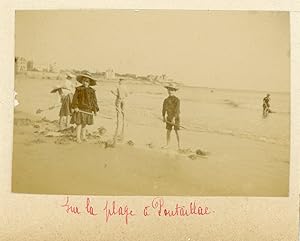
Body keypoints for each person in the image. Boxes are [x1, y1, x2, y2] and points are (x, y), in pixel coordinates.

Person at [70, 71, 99, 143]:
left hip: (88, 109)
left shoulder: (92, 91)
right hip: (80, 109)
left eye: (87, 81)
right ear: (82, 81)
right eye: (84, 81)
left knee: (84, 124)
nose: (85, 82)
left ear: (89, 82)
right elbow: (75, 98)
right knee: (79, 124)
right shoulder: (78, 89)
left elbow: (94, 101)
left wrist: (95, 110)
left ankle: (83, 136)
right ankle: (78, 138)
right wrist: (75, 106)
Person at [162, 83, 181, 150]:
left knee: (177, 131)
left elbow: (177, 110)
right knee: (168, 131)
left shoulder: (177, 100)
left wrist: (173, 118)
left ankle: (179, 146)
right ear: (167, 90)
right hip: (168, 118)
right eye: (169, 89)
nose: (170, 91)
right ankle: (167, 144)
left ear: (174, 91)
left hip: (176, 118)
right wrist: (163, 117)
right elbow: (164, 109)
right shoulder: (166, 100)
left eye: (172, 90)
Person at [111, 78, 128, 142]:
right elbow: (127, 94)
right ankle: (123, 120)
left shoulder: (118, 86)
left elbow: (112, 91)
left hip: (119, 99)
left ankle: (119, 120)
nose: (119, 82)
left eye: (120, 81)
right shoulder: (125, 87)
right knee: (123, 110)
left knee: (118, 110)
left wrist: (117, 94)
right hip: (123, 99)